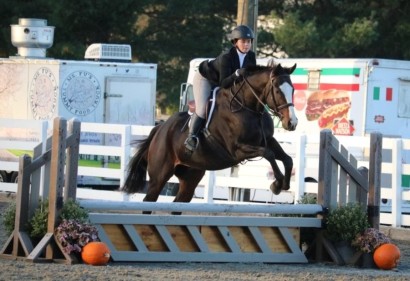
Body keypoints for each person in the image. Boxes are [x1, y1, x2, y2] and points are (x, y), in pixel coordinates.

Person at [184, 25, 257, 151]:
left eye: (249, 42)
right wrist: (237, 74)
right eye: (243, 41)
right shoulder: (226, 57)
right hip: (206, 78)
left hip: (223, 81)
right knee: (202, 108)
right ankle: (192, 138)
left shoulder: (251, 57)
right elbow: (223, 84)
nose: (247, 45)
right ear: (235, 42)